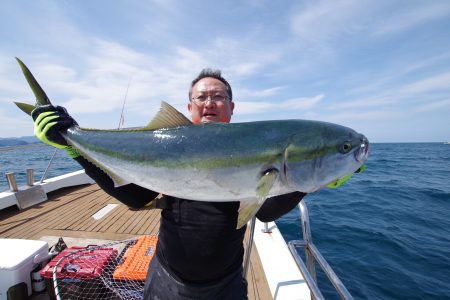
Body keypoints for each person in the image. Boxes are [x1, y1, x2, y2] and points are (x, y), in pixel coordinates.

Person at [32, 69, 306, 299]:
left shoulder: (250, 149)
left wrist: (308, 179)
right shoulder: (170, 146)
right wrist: (74, 147)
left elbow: (266, 211)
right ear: (189, 108)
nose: (209, 102)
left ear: (231, 108)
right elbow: (136, 198)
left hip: (226, 282)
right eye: (201, 97)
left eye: (218, 96)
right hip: (166, 278)